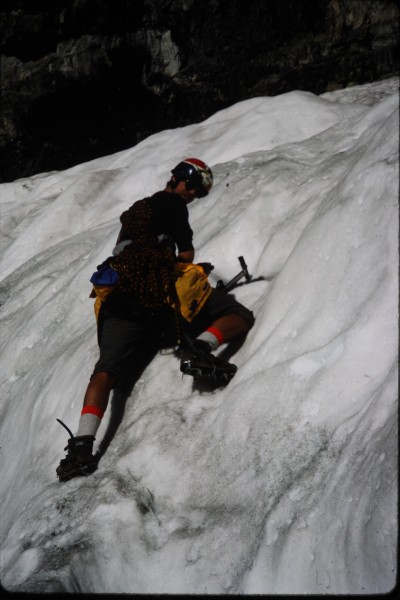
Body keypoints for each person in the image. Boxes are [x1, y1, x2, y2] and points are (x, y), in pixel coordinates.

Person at [56, 158, 255, 482]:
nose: (192, 196)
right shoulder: (172, 203)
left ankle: (81, 446)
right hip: (158, 295)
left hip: (118, 299)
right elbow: (186, 256)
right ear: (187, 184)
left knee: (106, 370)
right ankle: (202, 348)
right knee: (239, 314)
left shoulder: (139, 210)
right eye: (194, 190)